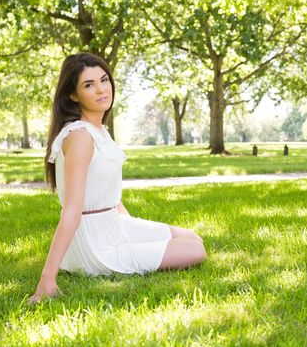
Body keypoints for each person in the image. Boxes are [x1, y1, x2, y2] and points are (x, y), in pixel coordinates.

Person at [28, 53, 206, 304]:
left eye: (104, 80)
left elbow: (108, 194)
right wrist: (47, 279)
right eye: (89, 85)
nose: (101, 89)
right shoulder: (80, 136)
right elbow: (71, 210)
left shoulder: (98, 130)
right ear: (73, 95)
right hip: (97, 245)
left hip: (115, 224)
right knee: (195, 250)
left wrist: (134, 229)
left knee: (191, 237)